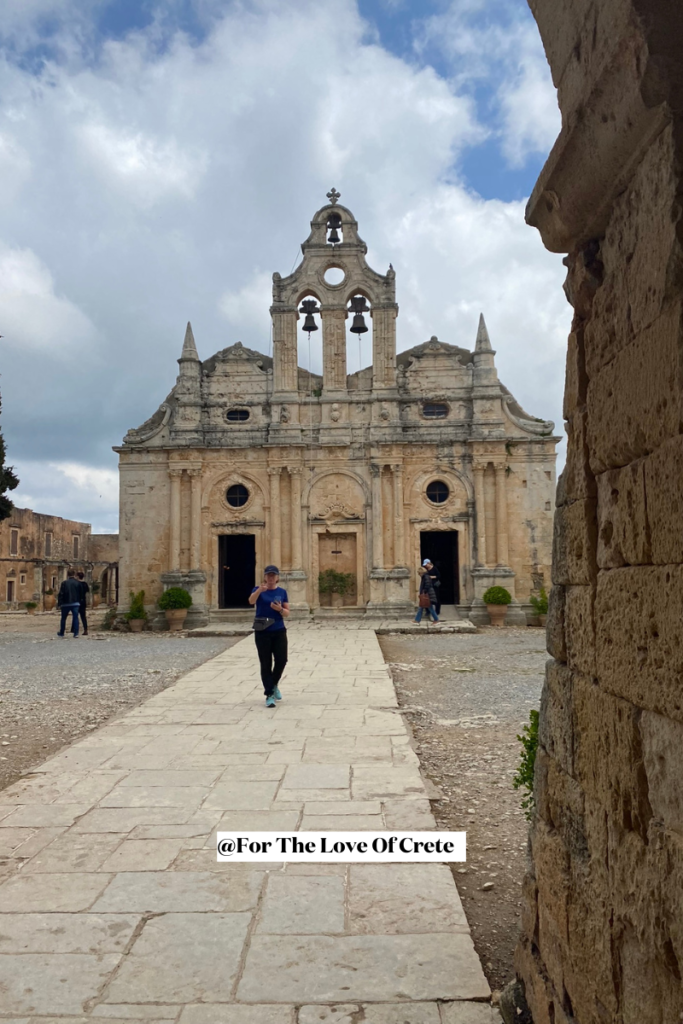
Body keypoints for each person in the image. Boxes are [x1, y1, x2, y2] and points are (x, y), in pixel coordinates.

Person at [248, 565, 290, 708]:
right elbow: (251, 601)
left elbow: (287, 612)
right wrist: (260, 590)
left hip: (278, 629)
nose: (271, 578)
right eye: (268, 575)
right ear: (265, 577)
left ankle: (274, 684)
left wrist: (280, 609)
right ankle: (269, 694)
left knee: (282, 659)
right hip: (262, 630)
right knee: (265, 663)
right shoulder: (258, 590)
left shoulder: (282, 592)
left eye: (273, 575)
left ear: (277, 577)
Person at [57, 570, 82, 637]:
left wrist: (59, 603)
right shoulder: (78, 583)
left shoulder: (64, 583)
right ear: (74, 574)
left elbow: (61, 593)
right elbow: (81, 593)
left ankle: (62, 632)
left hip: (65, 603)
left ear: (67, 575)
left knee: (63, 618)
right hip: (75, 603)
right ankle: (76, 633)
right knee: (76, 618)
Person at [72, 571, 90, 636]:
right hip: (83, 601)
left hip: (77, 601)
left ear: (77, 576)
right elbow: (87, 591)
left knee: (75, 615)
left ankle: (74, 629)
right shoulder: (85, 584)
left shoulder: (76, 584)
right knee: (83, 616)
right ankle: (85, 629)